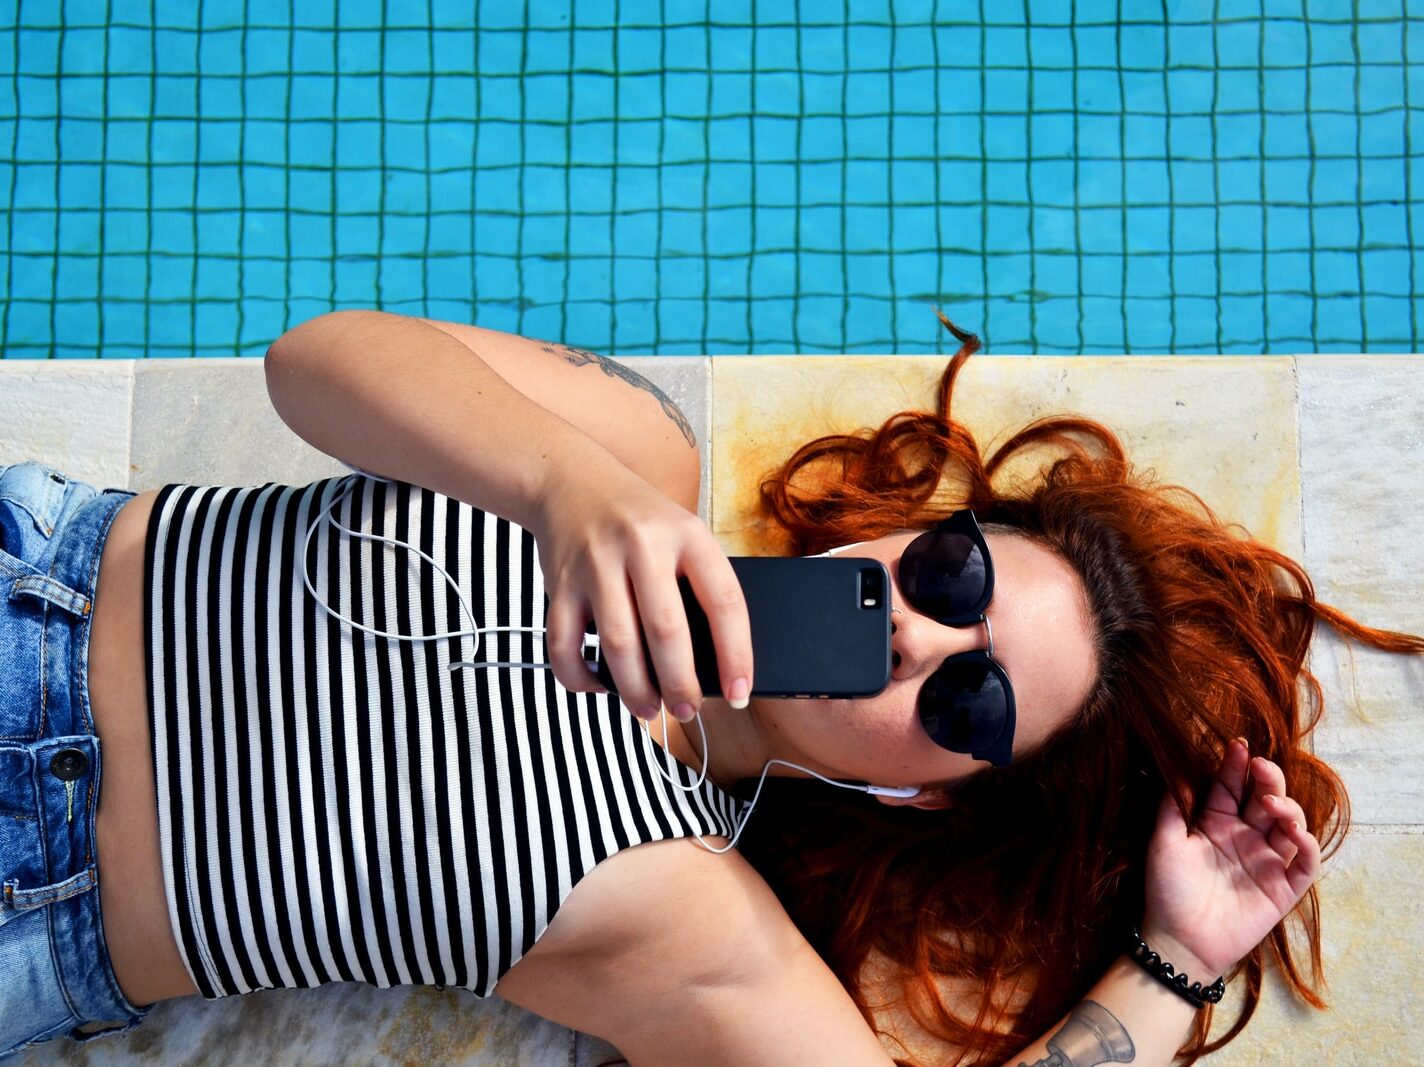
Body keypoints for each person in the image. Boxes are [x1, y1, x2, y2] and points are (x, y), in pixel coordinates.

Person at [0, 309, 1416, 1066]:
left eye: (970, 707)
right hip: (37, 579)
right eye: (954, 578)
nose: (919, 642)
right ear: (910, 533)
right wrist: (566, 489)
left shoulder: (697, 922)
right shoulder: (637, 453)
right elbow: (311, 364)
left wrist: (1176, 959)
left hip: (32, 907)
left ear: (927, 796)